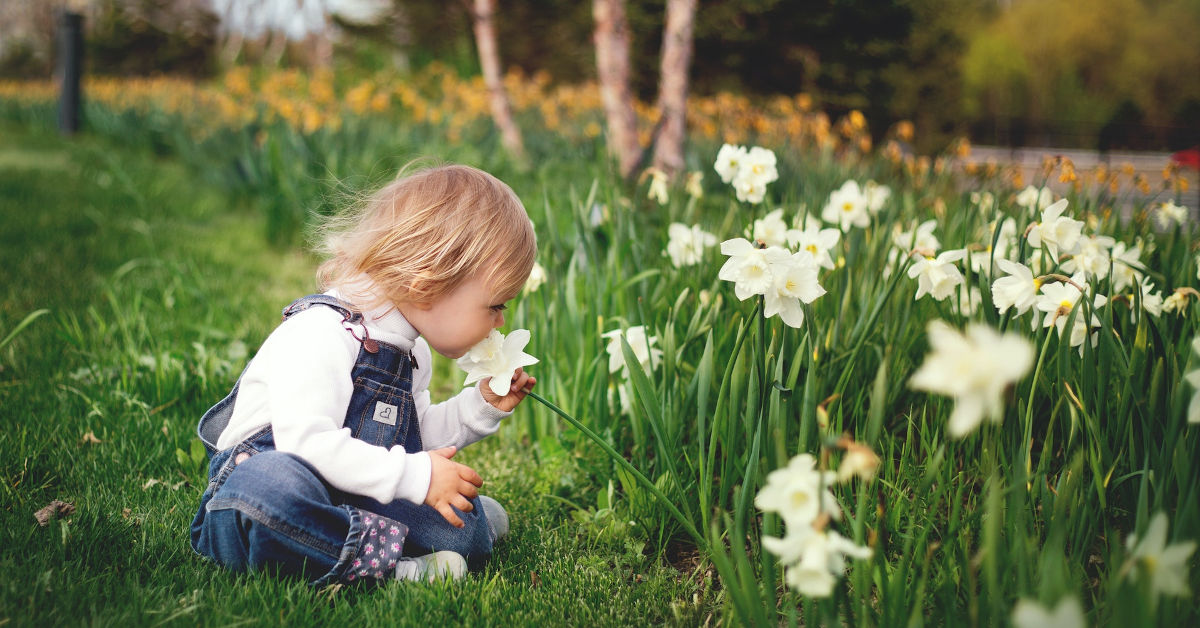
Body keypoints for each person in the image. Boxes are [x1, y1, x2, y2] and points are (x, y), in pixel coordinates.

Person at [189, 164, 538, 585]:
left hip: (350, 488)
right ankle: (392, 569)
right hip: (268, 489)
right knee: (270, 491)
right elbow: (307, 445)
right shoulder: (322, 333)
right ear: (428, 282)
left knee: (464, 528)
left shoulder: (412, 352)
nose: (500, 322)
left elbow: (412, 437)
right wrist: (417, 476)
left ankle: (429, 533)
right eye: (496, 305)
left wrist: (478, 408)